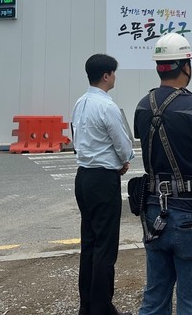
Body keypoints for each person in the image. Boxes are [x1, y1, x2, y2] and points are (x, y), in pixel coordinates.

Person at [134, 33, 192, 315]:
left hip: (154, 211)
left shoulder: (142, 106)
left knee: (154, 298)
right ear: (186, 66)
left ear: (159, 67)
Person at [71, 54, 135, 315]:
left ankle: (86, 305)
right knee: (105, 246)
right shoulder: (107, 106)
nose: (115, 77)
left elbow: (76, 138)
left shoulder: (80, 103)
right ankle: (102, 308)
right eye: (114, 73)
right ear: (106, 75)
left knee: (89, 242)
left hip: (83, 176)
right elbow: (123, 144)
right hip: (103, 179)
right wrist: (124, 161)